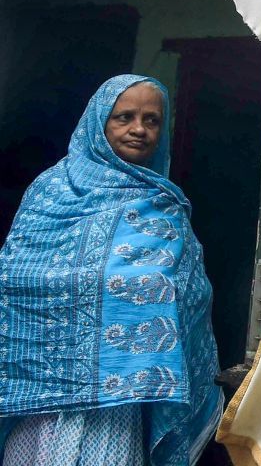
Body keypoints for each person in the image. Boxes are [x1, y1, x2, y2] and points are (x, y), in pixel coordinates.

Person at [0, 75, 221, 466]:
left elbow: (190, 296)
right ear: (98, 122)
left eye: (152, 120)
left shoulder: (162, 205)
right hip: (40, 397)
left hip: (119, 405)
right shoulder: (50, 190)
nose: (139, 129)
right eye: (124, 117)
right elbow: (13, 280)